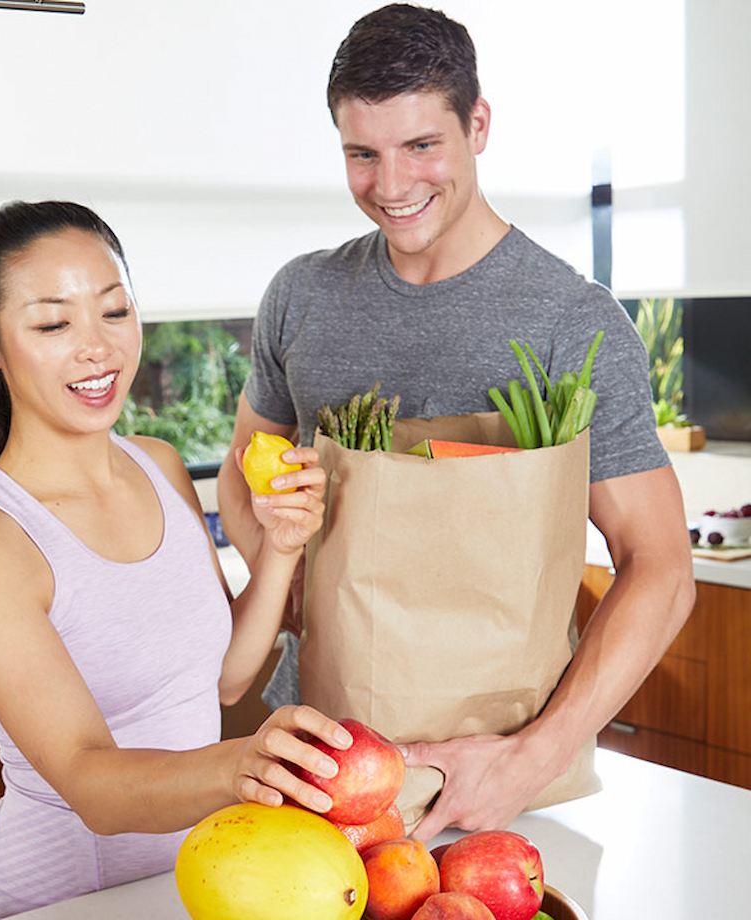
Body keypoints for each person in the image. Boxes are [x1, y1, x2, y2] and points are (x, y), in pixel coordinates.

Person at [217, 3, 696, 840]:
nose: (391, 186)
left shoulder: (570, 323)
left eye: (421, 147)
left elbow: (660, 567)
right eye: (361, 154)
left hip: (501, 791)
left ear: (478, 124)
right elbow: (242, 470)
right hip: (317, 767)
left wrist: (533, 757)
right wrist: (282, 573)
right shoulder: (301, 297)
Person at [0, 200, 346, 919]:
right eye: (54, 323)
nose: (98, 349)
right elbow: (92, 785)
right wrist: (242, 763)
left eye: (114, 311)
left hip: (198, 879)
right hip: (64, 900)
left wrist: (281, 548)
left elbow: (222, 680)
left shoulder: (159, 465)